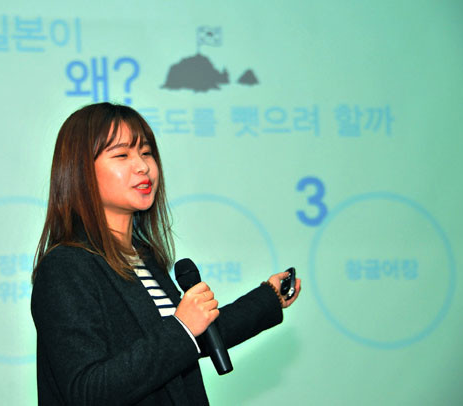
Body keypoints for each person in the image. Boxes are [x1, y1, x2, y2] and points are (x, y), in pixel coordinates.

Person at [30, 102, 301, 405]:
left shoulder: (142, 257)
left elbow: (190, 338)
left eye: (146, 152)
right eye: (122, 155)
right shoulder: (66, 266)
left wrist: (268, 298)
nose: (142, 166)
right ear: (81, 172)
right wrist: (182, 328)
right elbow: (87, 390)